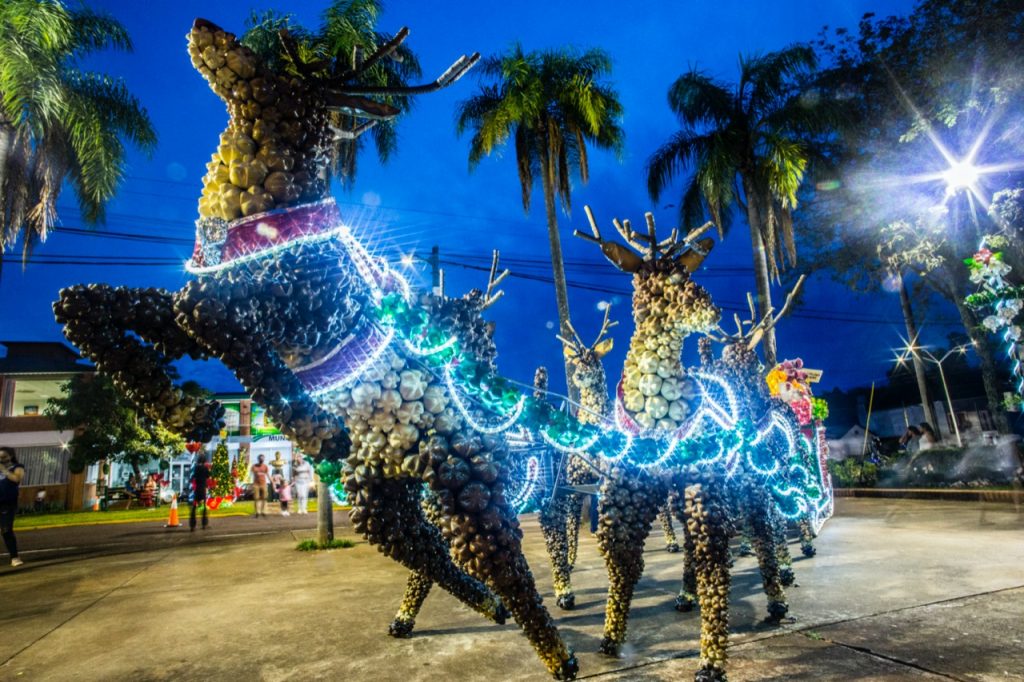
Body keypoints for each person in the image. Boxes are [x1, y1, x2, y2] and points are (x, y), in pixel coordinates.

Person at [1, 446, 26, 567]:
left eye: (4, 456)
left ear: (10, 456)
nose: (1, 459)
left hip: (7, 504)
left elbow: (16, 479)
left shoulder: (18, 467)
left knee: (6, 530)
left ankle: (15, 557)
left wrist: (3, 469)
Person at [189, 453, 211, 531]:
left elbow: (193, 476)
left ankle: (192, 525)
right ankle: (204, 524)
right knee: (204, 507)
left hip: (197, 488)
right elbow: (208, 476)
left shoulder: (196, 468)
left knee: (194, 507)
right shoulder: (205, 468)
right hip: (203, 489)